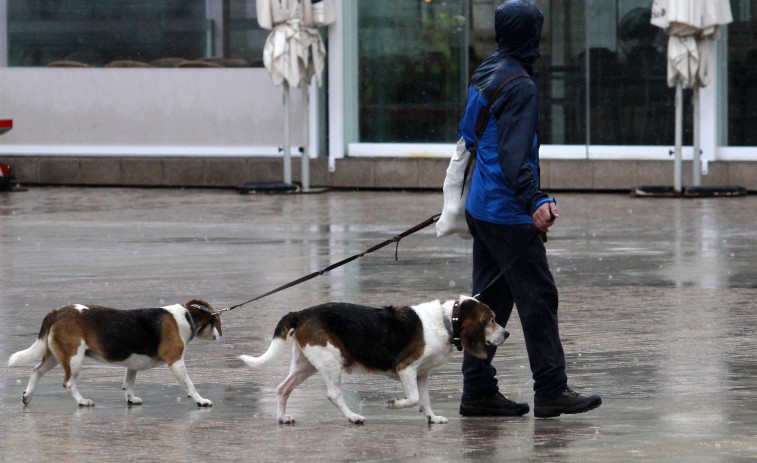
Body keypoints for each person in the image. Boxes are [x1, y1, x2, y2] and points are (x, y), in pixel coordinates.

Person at [457, 0, 602, 418]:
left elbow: (470, 133)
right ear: (531, 36)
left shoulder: (486, 71)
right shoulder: (520, 84)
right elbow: (514, 156)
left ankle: (478, 392)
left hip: (481, 207)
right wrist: (535, 200)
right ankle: (552, 388)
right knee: (538, 298)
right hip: (506, 212)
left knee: (489, 304)